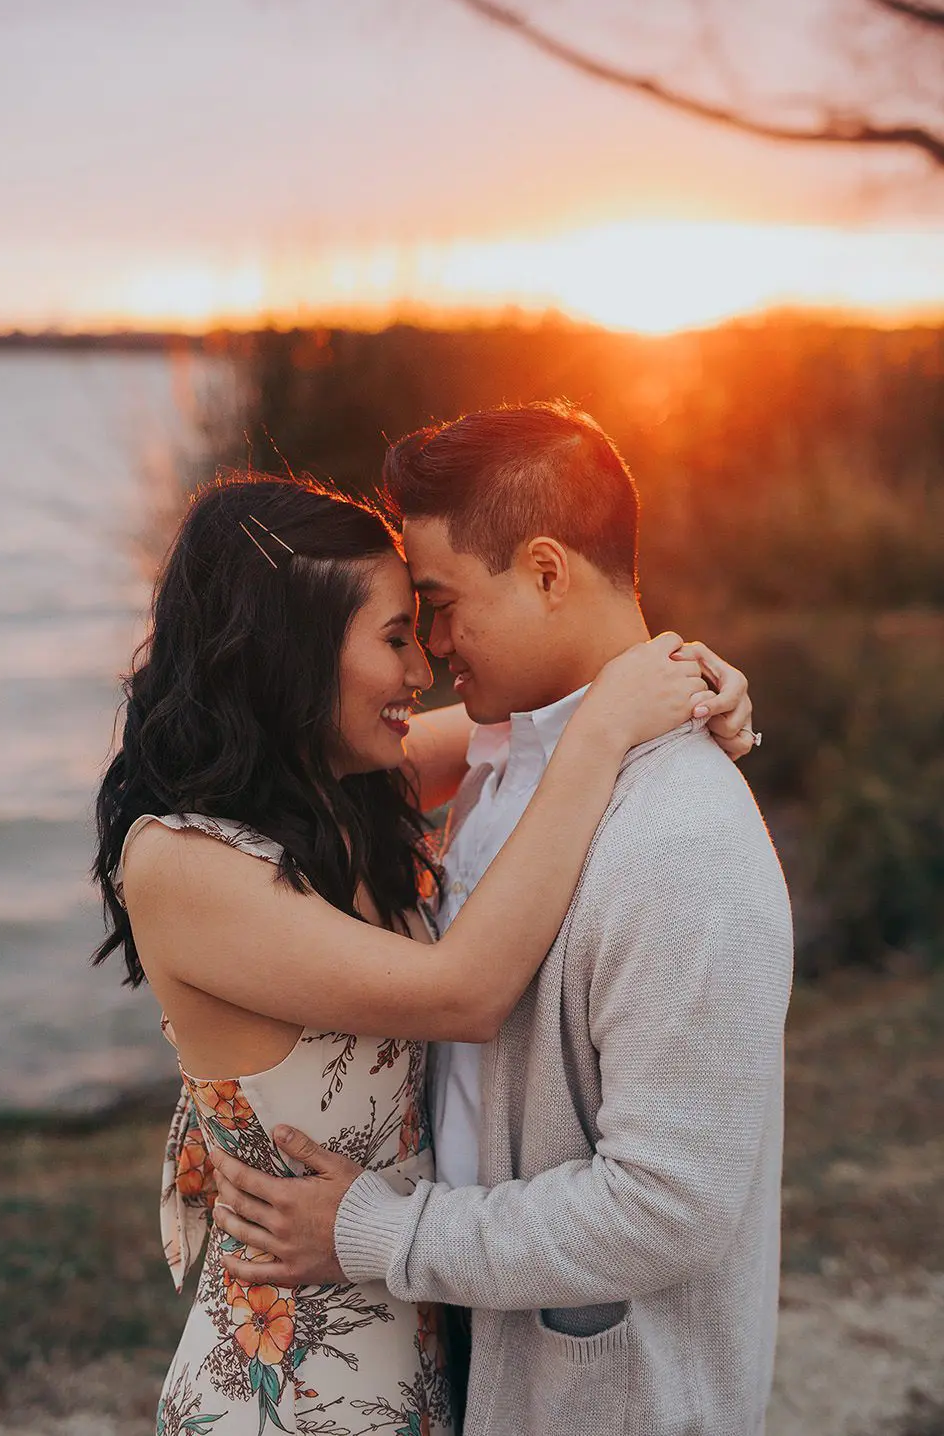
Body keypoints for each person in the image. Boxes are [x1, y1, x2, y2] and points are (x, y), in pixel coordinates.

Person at [93, 469, 748, 1436]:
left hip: (414, 1346)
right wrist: (610, 726)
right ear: (292, 650)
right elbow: (464, 991)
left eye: (424, 626)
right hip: (291, 1388)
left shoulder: (339, 785)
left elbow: (529, 723)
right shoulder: (183, 863)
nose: (422, 670)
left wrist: (693, 678)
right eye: (397, 637)